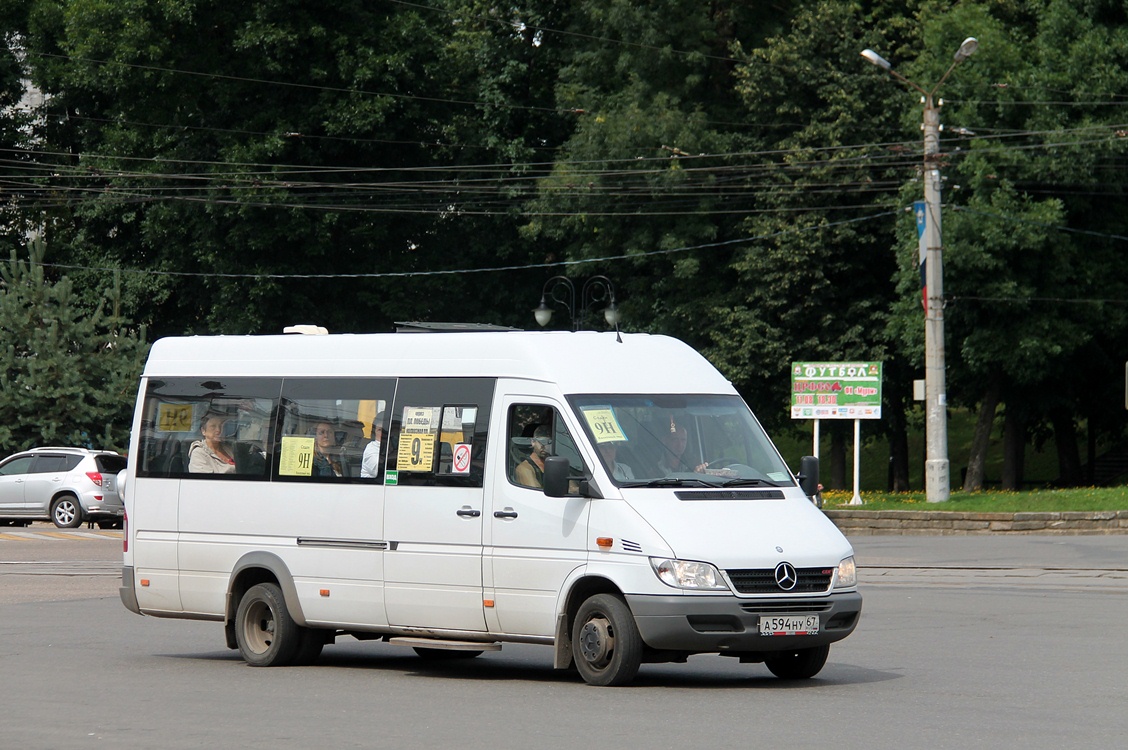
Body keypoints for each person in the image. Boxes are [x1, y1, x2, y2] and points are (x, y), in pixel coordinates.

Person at [360, 413, 385, 479]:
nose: (384, 434)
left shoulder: (392, 447)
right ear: (374, 432)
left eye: (387, 430)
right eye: (380, 430)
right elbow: (381, 468)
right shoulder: (371, 448)